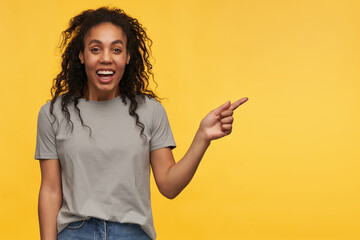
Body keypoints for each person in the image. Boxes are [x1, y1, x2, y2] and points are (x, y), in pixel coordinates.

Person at [34, 6, 248, 240]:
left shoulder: (150, 111)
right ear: (81, 55)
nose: (106, 58)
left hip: (132, 233)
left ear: (127, 57)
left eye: (116, 49)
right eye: (95, 49)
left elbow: (169, 186)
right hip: (76, 233)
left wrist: (202, 137)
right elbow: (50, 190)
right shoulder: (53, 113)